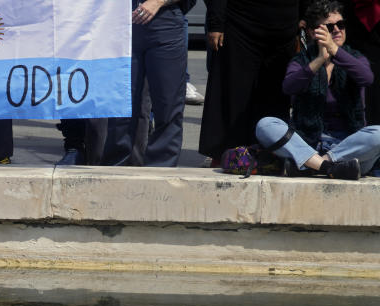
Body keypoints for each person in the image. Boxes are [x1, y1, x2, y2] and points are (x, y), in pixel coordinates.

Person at [256, 0, 378, 179]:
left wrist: (335, 51)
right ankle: (330, 168)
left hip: (347, 146)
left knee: (378, 134)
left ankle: (314, 165)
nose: (337, 30)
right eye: (330, 27)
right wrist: (319, 60)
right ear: (314, 32)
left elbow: (366, 78)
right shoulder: (303, 60)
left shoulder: (354, 57)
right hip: (308, 142)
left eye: (341, 24)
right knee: (265, 125)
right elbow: (289, 87)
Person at [199, 0, 301, 161]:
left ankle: (269, 155)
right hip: (240, 24)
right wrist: (216, 23)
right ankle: (226, 154)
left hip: (284, 29)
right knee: (234, 93)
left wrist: (306, 17)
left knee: (274, 97)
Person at [105, 0, 193, 167]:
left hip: (165, 20)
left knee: (168, 105)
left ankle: (161, 169)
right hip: (121, 22)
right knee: (121, 105)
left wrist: (158, 2)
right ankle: (115, 168)